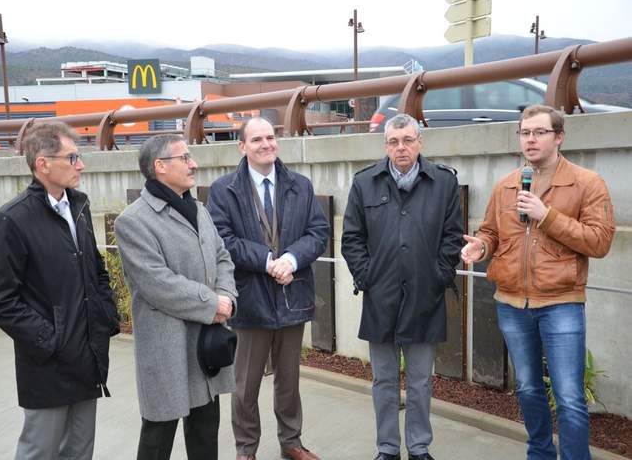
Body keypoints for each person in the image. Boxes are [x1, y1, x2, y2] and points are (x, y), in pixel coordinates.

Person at [461, 104, 615, 460]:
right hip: (512, 304)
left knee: (569, 396)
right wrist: (481, 247)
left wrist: (547, 216)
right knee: (529, 389)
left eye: (539, 132)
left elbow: (599, 241)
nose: (530, 139)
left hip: (562, 302)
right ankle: (540, 454)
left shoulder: (587, 183)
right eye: (524, 133)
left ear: (559, 137)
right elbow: (491, 232)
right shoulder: (506, 185)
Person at [0, 122, 121, 460]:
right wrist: (51, 338)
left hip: (87, 355)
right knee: (40, 450)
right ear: (42, 164)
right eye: (72, 158)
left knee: (79, 449)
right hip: (48, 364)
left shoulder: (79, 206)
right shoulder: (13, 220)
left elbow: (96, 270)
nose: (81, 166)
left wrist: (105, 316)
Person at [341, 114, 463, 460]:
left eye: (408, 140)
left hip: (426, 298)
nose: (401, 148)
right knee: (383, 381)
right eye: (394, 142)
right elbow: (351, 239)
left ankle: (419, 446)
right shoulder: (366, 182)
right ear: (386, 146)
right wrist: (368, 278)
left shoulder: (442, 182)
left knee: (421, 381)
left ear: (419, 142)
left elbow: (452, 237)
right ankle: (388, 448)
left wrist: (439, 275)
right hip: (381, 299)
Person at [206, 117, 329, 460]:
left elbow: (318, 233)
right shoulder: (223, 189)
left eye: (271, 137)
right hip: (249, 299)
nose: (266, 144)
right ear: (242, 147)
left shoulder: (300, 186)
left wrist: (290, 259)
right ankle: (246, 449)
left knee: (289, 380)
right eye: (257, 139)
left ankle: (291, 442)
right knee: (245, 384)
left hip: (292, 295)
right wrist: (267, 260)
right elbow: (223, 240)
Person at [114, 134, 237, 460]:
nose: (193, 163)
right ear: (160, 167)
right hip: (167, 345)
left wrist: (227, 297)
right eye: (184, 157)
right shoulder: (133, 221)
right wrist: (212, 304)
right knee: (158, 435)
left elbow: (222, 257)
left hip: (205, 341)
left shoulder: (198, 209)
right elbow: (157, 283)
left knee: (205, 430)